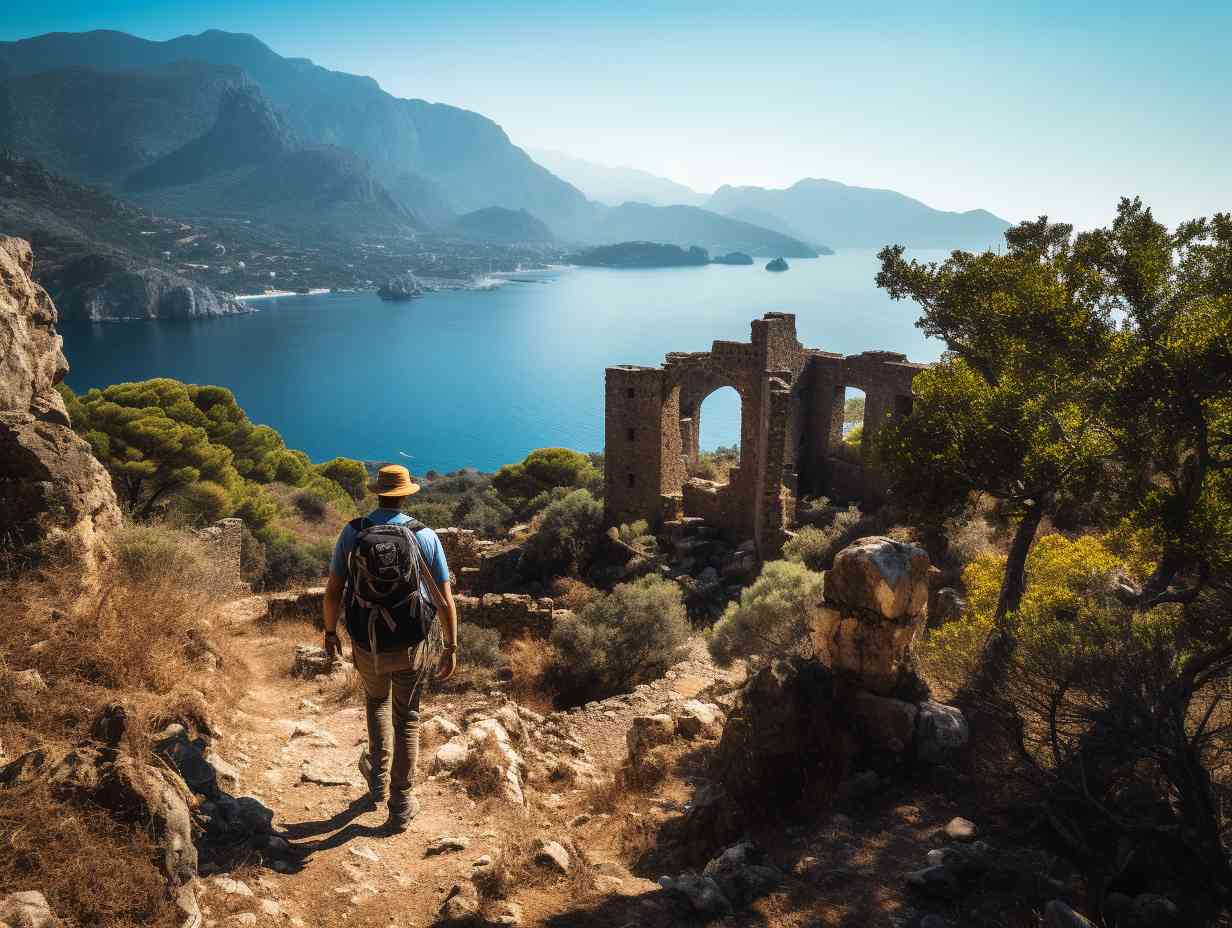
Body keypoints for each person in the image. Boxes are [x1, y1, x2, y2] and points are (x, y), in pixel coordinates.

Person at [322, 464, 458, 832]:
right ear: (407, 493)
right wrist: (451, 646)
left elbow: (334, 590)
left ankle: (377, 785)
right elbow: (445, 601)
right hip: (413, 643)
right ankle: (401, 804)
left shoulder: (354, 532)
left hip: (368, 641)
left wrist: (330, 633)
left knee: (375, 702)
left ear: (377, 493)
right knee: (407, 717)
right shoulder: (425, 536)